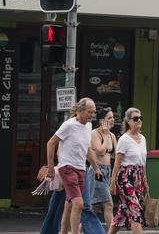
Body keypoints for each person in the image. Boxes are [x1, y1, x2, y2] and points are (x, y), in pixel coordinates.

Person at [45, 97, 104, 234]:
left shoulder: (88, 126)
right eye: (90, 112)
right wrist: (50, 167)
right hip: (67, 167)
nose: (92, 115)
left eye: (94, 112)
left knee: (70, 204)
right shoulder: (69, 125)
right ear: (79, 111)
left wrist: (96, 167)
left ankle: (64, 232)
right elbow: (51, 143)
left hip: (81, 168)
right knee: (79, 203)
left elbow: (87, 149)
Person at [108, 107, 149, 234]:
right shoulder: (124, 139)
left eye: (140, 118)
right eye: (135, 119)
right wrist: (112, 181)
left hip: (138, 176)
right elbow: (117, 163)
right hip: (125, 177)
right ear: (128, 122)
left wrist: (145, 181)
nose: (139, 121)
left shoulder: (143, 138)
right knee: (135, 208)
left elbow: (143, 161)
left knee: (122, 212)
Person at [89, 107, 117, 227]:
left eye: (113, 117)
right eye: (109, 118)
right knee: (108, 204)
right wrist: (105, 135)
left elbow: (116, 155)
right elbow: (100, 151)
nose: (112, 120)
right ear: (101, 121)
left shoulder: (112, 136)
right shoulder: (95, 133)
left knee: (94, 207)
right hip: (97, 171)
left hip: (107, 170)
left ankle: (81, 229)